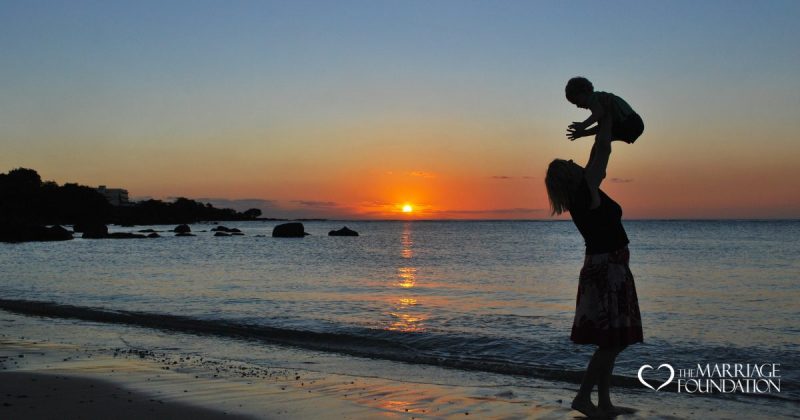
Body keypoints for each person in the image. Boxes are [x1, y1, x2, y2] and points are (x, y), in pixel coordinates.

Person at [544, 140, 643, 417]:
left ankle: (604, 403)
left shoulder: (584, 192)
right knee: (613, 342)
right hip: (607, 271)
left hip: (608, 268)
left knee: (610, 341)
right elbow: (602, 153)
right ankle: (583, 398)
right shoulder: (585, 194)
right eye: (570, 164)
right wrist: (604, 125)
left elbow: (597, 154)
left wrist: (600, 130)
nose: (576, 163)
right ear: (569, 175)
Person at [565, 77, 644, 145]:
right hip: (632, 123)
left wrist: (583, 125)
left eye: (577, 101)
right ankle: (592, 162)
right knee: (600, 139)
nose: (578, 106)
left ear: (584, 91)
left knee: (601, 140)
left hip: (630, 122)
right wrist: (583, 133)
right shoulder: (600, 102)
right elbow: (602, 126)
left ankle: (595, 162)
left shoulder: (594, 99)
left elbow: (599, 113)